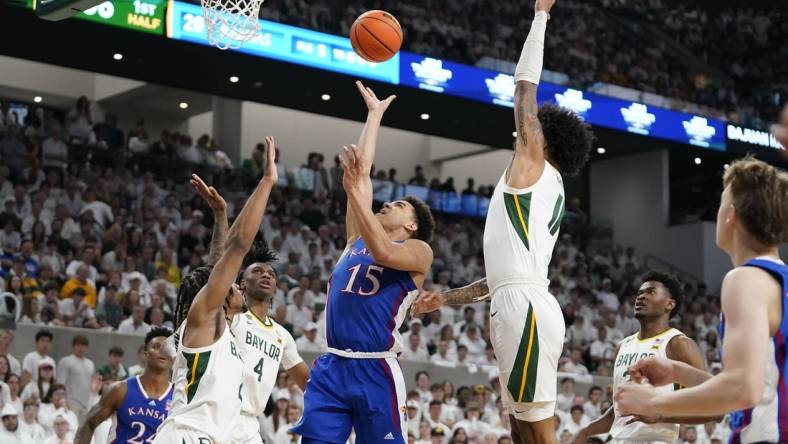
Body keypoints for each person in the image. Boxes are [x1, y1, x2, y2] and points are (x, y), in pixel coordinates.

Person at [412, 2, 594, 441]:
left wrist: (540, 17)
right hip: (518, 300)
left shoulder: (533, 164)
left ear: (543, 138)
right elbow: (499, 278)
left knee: (538, 433)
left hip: (524, 308)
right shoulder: (545, 186)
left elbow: (523, 90)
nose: (521, 131)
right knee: (520, 430)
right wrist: (446, 299)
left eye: (530, 129)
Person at [292, 82, 435, 444]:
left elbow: (386, 254)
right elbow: (363, 174)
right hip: (332, 365)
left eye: (398, 206)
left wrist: (354, 190)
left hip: (376, 368)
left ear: (411, 225)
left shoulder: (419, 252)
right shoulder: (356, 239)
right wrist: (373, 117)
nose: (386, 204)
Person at [615, 158, 788, 444]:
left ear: (730, 214)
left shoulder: (745, 279)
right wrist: (677, 371)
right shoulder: (777, 279)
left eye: (720, 203)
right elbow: (760, 386)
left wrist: (651, 404)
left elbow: (743, 389)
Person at [154, 138, 278, 444]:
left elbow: (217, 265)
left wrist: (221, 217)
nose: (237, 286)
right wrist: (266, 182)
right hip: (187, 436)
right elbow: (237, 248)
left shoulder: (220, 325)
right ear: (221, 297)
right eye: (233, 285)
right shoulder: (206, 319)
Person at [573, 272, 716, 443]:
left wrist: (661, 416)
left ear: (669, 304)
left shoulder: (678, 344)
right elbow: (618, 411)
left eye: (650, 292)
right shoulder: (622, 346)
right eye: (640, 293)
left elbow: (713, 408)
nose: (641, 297)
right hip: (618, 439)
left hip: (655, 439)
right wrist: (587, 430)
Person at [231, 240, 310, 444]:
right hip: (220, 413)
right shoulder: (231, 318)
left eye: (271, 274)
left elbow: (310, 384)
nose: (266, 275)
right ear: (242, 284)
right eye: (257, 271)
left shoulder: (282, 335)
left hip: (250, 424)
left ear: (275, 288)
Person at [75, 328, 174, 444]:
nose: (163, 351)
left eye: (168, 348)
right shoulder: (120, 390)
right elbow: (88, 423)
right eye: (157, 346)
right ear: (145, 355)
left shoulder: (179, 398)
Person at [56, 335, 94, 422]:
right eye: (78, 345)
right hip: (71, 401)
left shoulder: (90, 364)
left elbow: (91, 385)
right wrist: (63, 401)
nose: (80, 348)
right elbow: (60, 382)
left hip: (86, 403)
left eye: (83, 345)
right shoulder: (66, 361)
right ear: (73, 347)